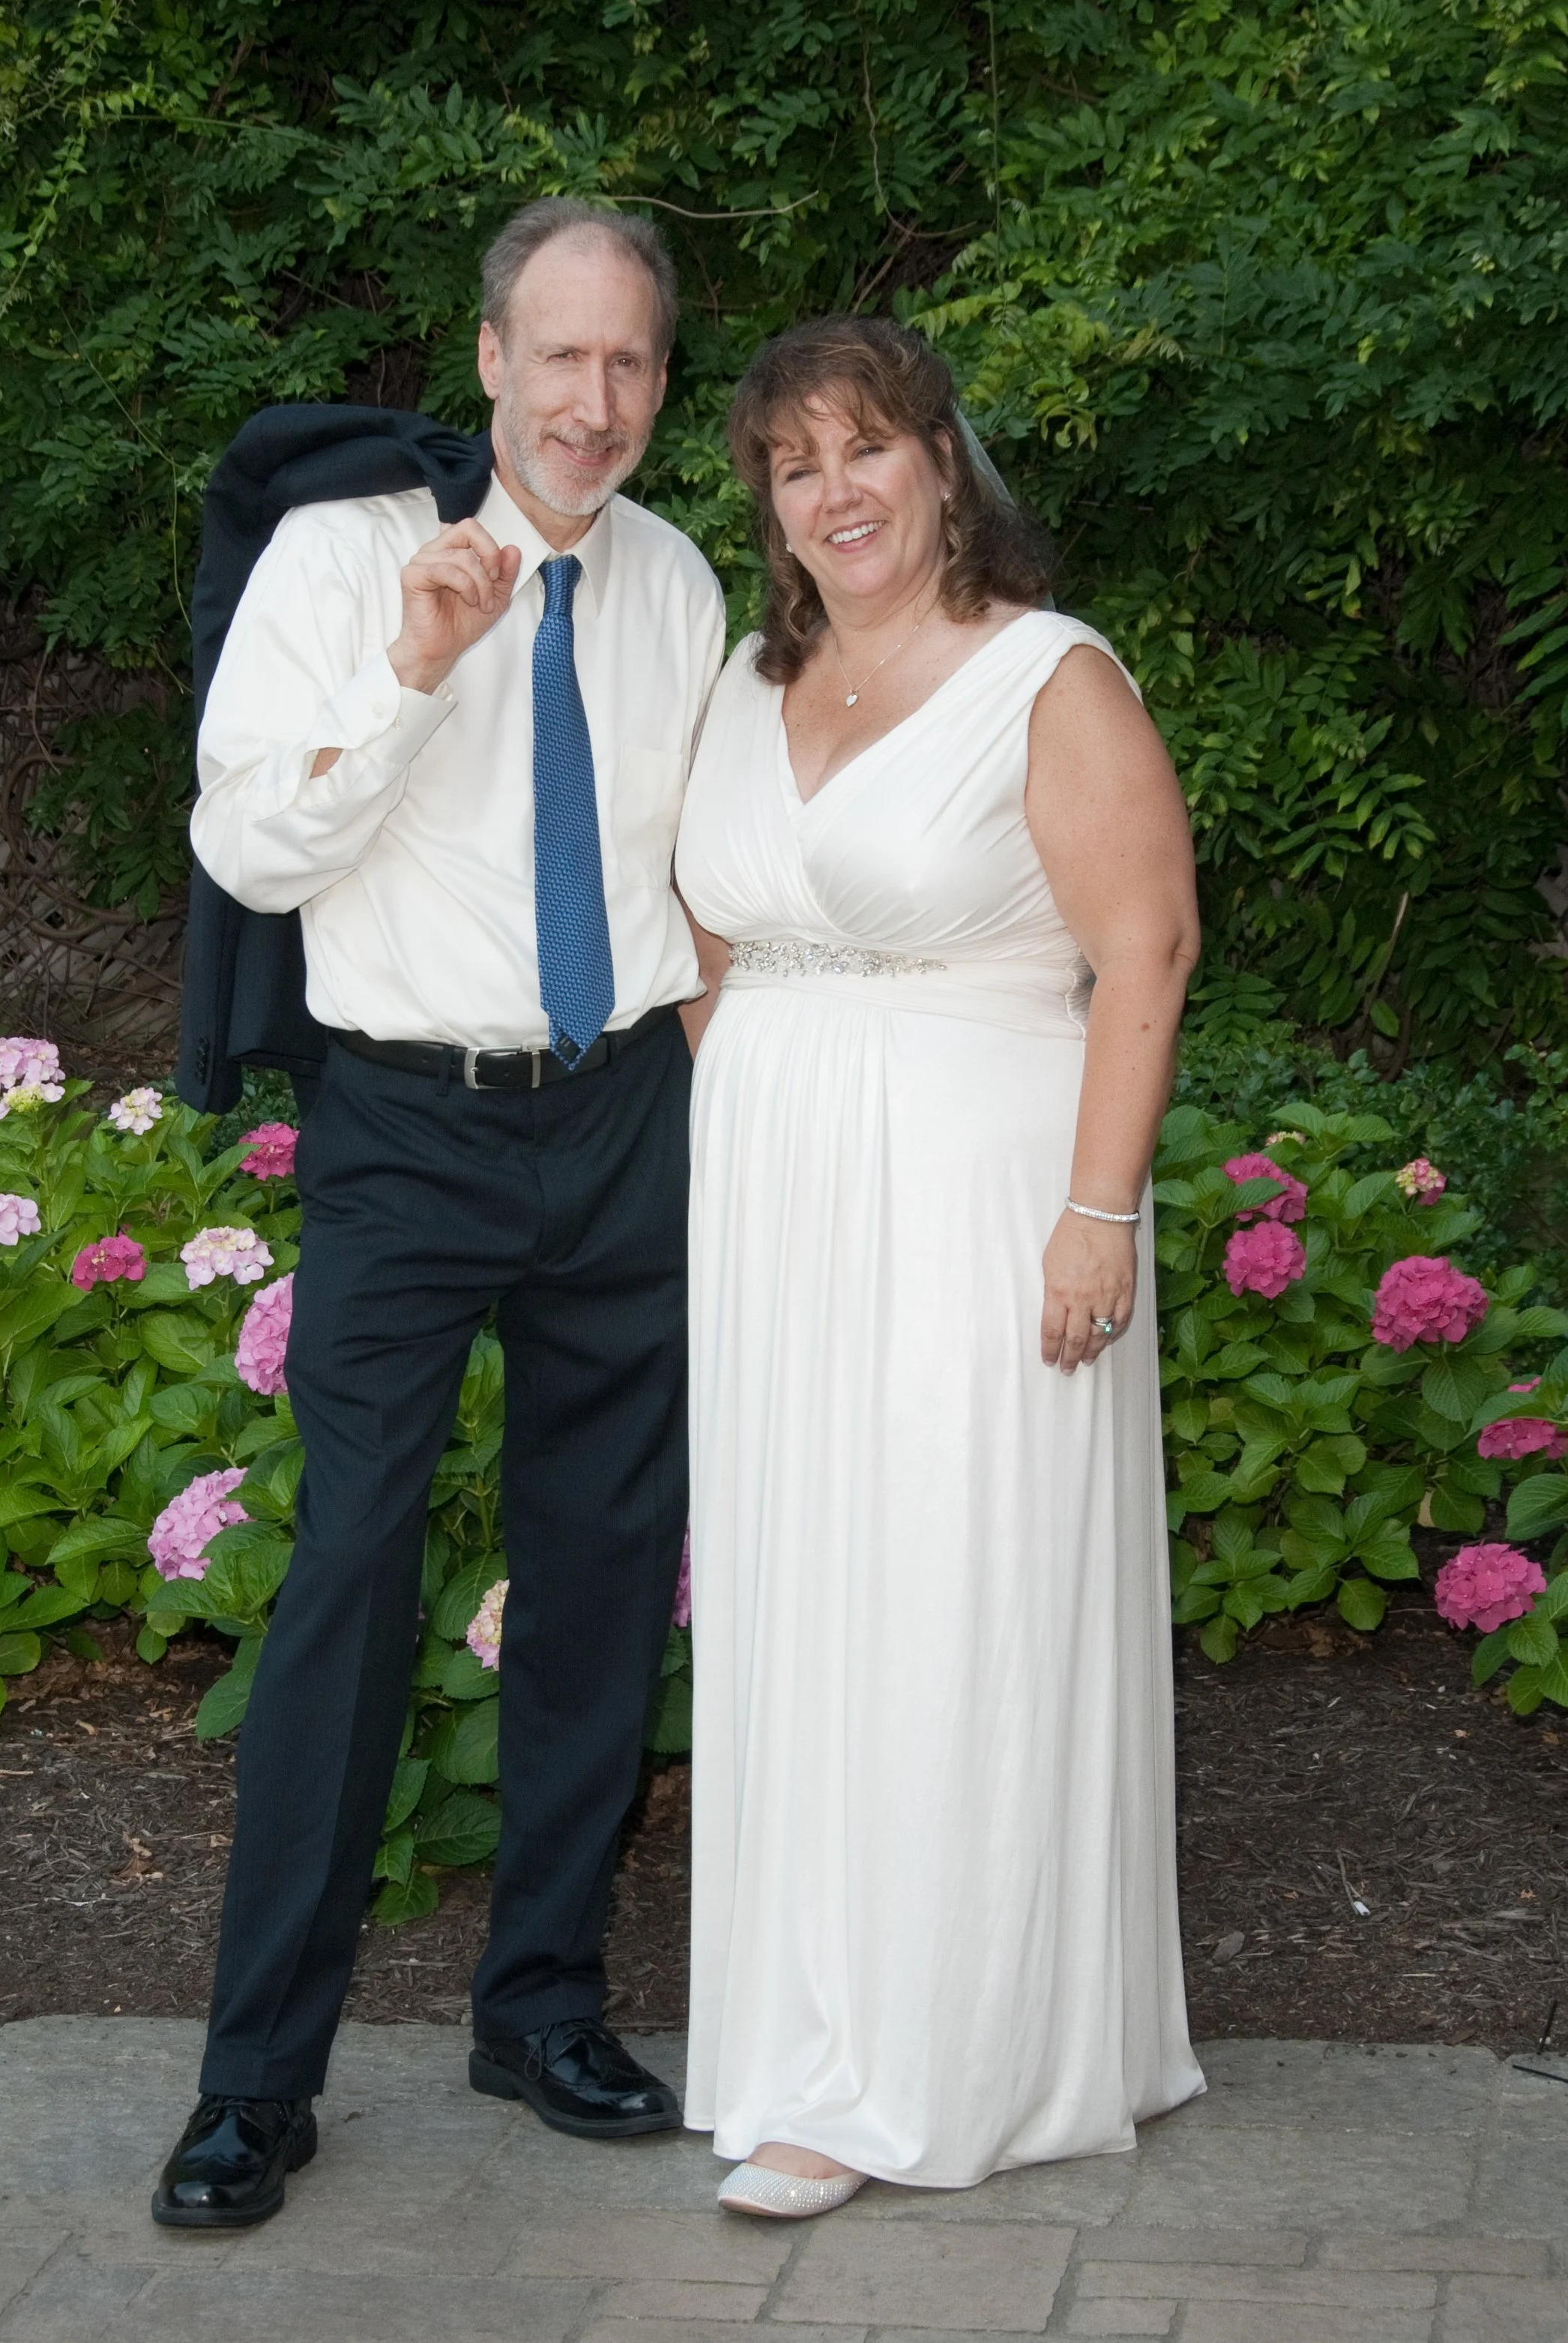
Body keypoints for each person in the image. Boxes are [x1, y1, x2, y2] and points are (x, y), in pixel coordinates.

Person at [152, 198, 726, 2228]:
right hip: (406, 1126)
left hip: (624, 1112)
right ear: (487, 357)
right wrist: (410, 671)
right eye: (557, 356)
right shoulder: (337, 558)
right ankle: (256, 2081)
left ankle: (541, 1999)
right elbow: (248, 842)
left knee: (599, 1567)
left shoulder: (674, 581)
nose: (591, 399)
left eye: (630, 363)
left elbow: (702, 869)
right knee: (351, 1581)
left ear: (659, 383)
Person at [674, 315, 1206, 2218]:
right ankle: (799, 2026)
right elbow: (712, 941)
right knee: (801, 1596)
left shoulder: (1043, 677)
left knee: (943, 1596)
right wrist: (760, 1110)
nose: (834, 492)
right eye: (793, 465)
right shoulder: (750, 682)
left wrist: (1096, 1211)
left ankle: (915, 2067)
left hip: (982, 1192)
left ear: (939, 464)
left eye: (866, 449)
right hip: (776, 1205)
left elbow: (1140, 950)